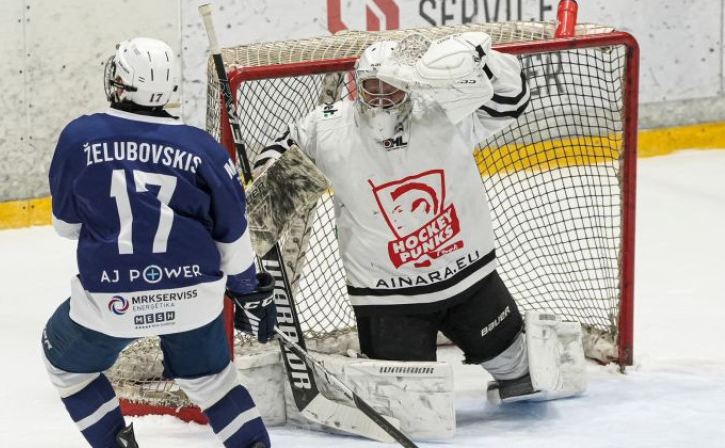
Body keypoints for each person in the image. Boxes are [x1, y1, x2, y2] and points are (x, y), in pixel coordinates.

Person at [254, 32, 550, 402]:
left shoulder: (443, 109)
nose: (379, 98)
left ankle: (509, 361)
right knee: (407, 400)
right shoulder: (328, 125)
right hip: (385, 293)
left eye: (390, 88)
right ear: (356, 82)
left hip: (467, 276)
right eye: (370, 87)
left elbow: (513, 99)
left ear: (409, 85)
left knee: (517, 369)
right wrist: (267, 173)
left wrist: (483, 55)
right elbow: (279, 156)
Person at [41, 37, 276, 448]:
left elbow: (66, 226)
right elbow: (232, 232)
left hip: (113, 302)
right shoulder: (203, 149)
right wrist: (245, 289)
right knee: (213, 383)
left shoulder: (79, 137)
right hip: (194, 298)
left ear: (118, 83)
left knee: (67, 367)